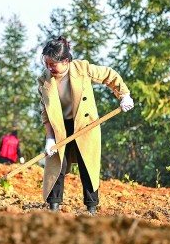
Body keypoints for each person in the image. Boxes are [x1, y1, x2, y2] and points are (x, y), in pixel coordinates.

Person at [38, 36, 134, 215]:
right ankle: (53, 206)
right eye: (46, 64)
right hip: (60, 126)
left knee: (87, 165)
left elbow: (109, 75)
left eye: (53, 64)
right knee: (56, 165)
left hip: (84, 124)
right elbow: (45, 111)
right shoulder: (44, 79)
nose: (49, 68)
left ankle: (91, 208)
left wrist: (123, 94)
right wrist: (50, 138)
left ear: (65, 61)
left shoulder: (82, 69)